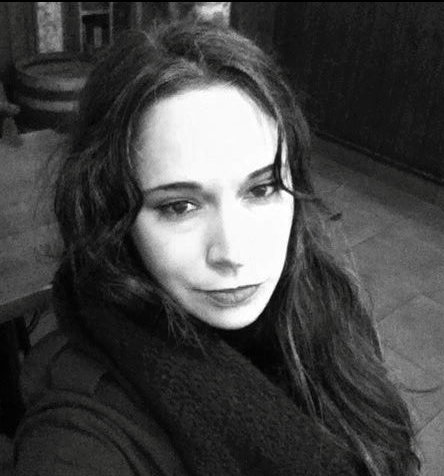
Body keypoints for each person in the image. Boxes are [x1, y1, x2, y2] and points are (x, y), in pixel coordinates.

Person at [13, 20, 420, 476]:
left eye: (261, 189)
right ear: (112, 216)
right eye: (180, 206)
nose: (233, 251)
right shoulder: (80, 440)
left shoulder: (326, 298)